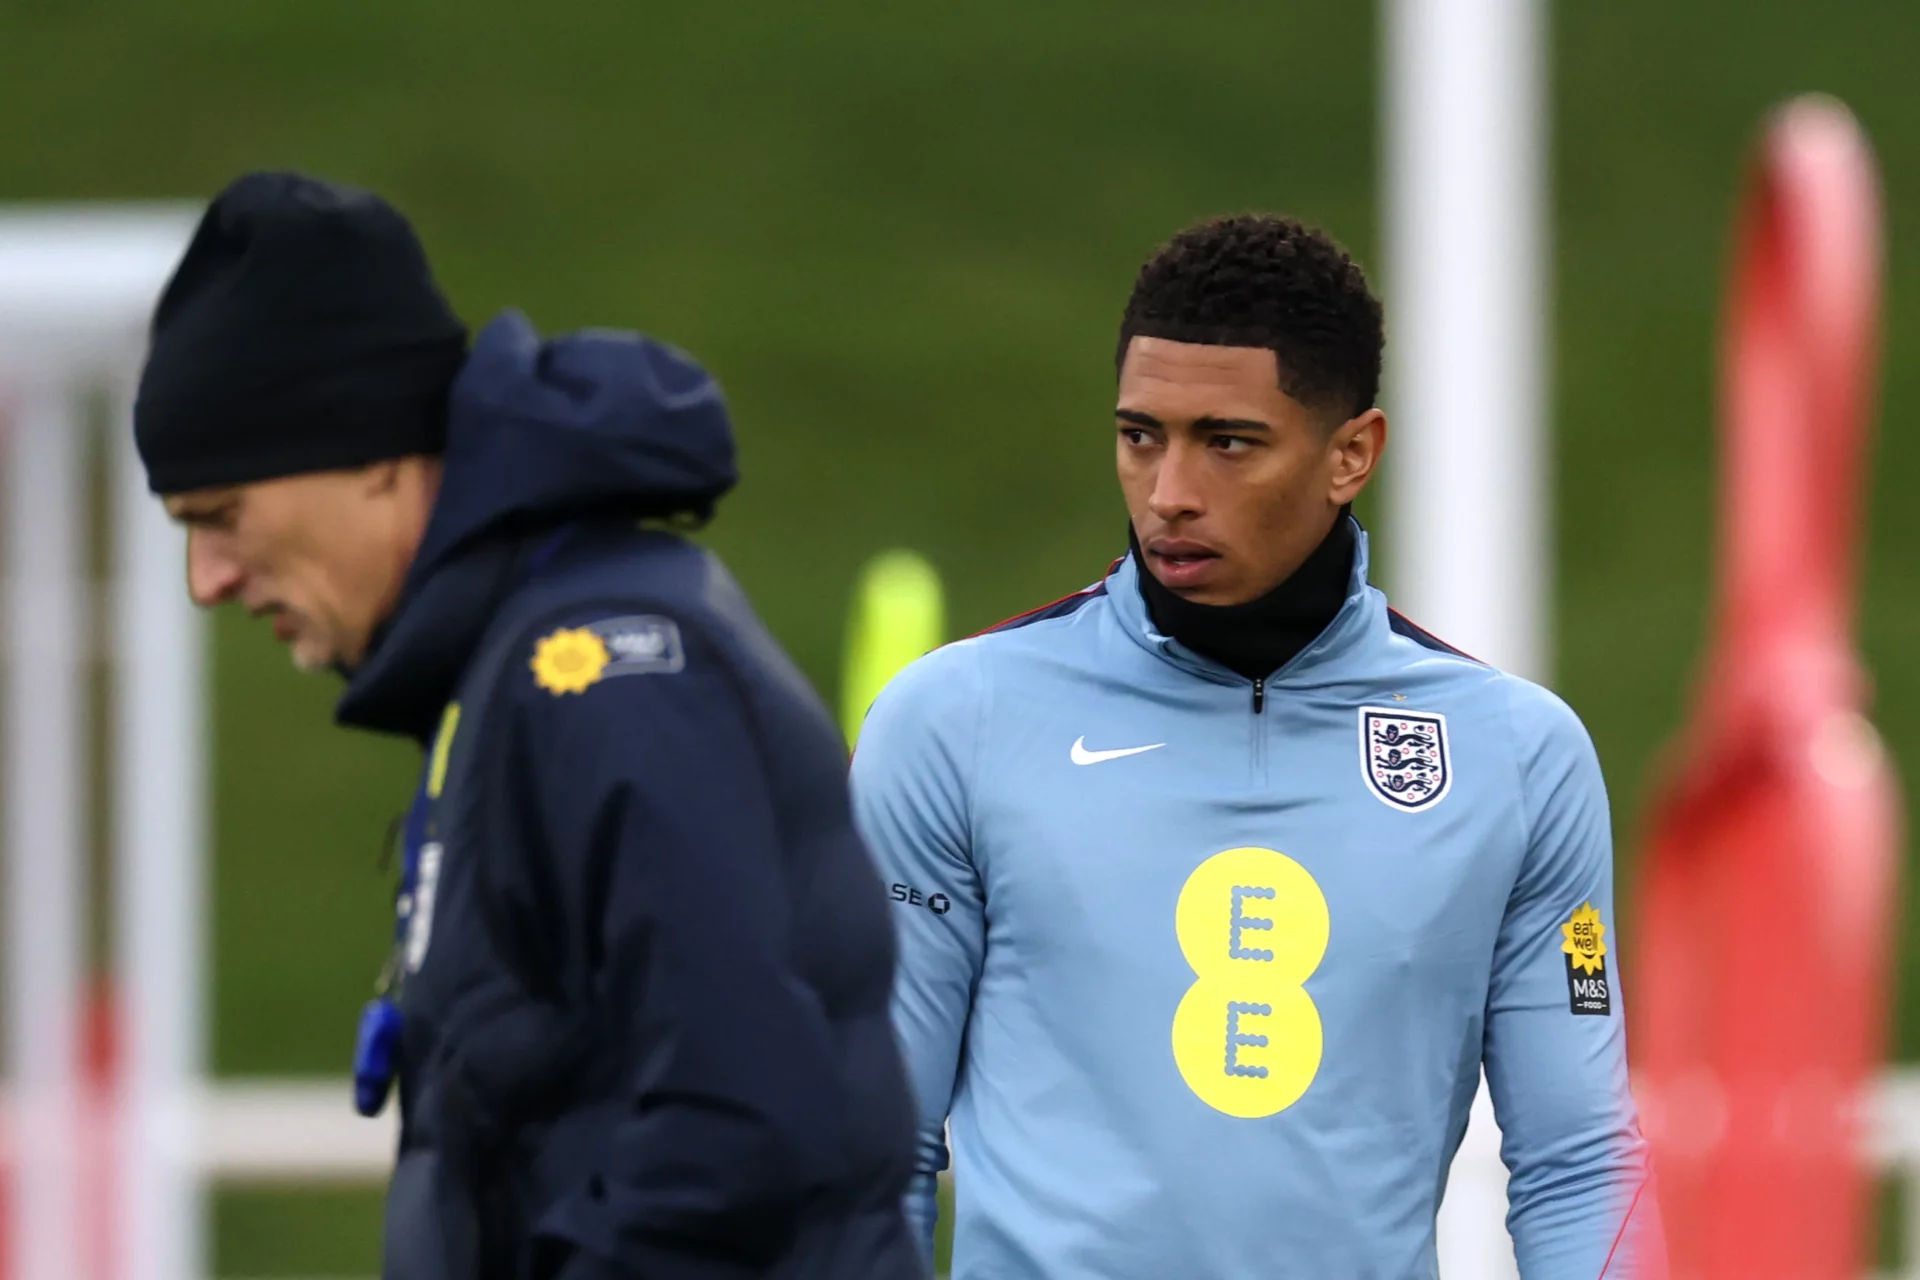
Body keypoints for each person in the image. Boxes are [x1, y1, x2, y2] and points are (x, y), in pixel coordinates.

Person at [134, 171, 922, 1280]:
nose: (206, 578)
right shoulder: (524, 664)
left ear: (368, 452)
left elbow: (733, 1123)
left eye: (220, 515)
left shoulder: (598, 675)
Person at [850, 214, 1667, 1277]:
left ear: (1352, 454)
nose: (1170, 492)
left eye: (1227, 442)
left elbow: (1577, 1163)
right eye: (1140, 435)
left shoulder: (1517, 755)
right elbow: (870, 1152)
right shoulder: (954, 721)